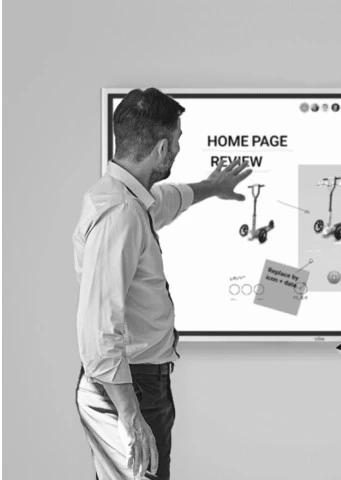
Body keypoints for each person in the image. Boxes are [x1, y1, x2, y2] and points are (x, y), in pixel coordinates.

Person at [74, 88, 252, 479]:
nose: (179, 149)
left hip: (136, 382)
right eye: (177, 141)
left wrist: (212, 187)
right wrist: (130, 415)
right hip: (127, 386)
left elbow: (165, 201)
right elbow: (98, 327)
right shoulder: (120, 212)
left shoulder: (127, 199)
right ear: (161, 148)